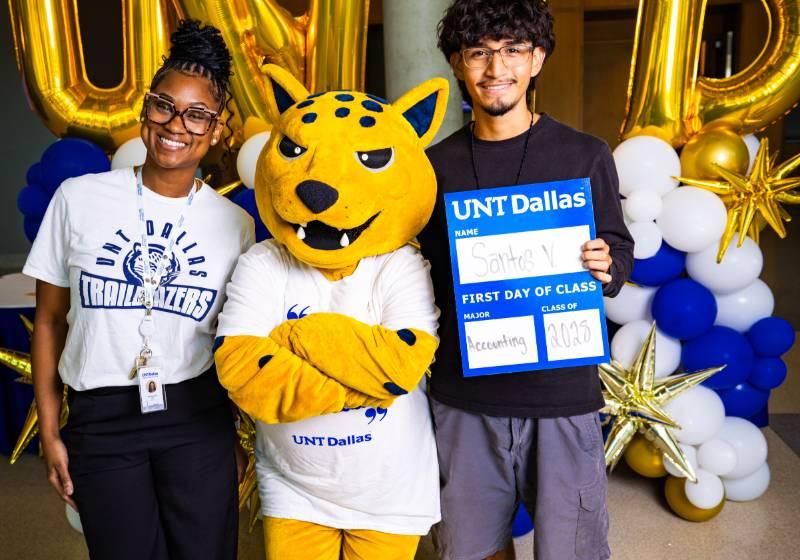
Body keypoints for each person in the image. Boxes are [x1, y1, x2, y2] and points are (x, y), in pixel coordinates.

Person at [25, 19, 253, 560]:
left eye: (198, 114)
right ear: (144, 110)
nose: (178, 124)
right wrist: (51, 431)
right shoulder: (78, 199)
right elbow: (51, 320)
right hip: (101, 420)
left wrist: (239, 440)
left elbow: (238, 340)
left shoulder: (233, 225)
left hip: (197, 419)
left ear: (217, 131)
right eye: (164, 105)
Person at [418, 2, 634, 559]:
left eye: (513, 50)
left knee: (573, 548)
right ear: (457, 64)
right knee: (468, 547)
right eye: (479, 53)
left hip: (562, 395)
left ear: (537, 59)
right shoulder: (431, 168)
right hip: (464, 396)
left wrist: (607, 263)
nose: (497, 68)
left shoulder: (585, 155)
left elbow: (619, 247)